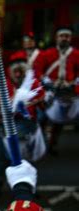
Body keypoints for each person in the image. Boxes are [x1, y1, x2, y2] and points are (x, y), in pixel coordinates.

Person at [0, 52, 45, 196]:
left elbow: (42, 101)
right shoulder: (2, 84)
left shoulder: (33, 83)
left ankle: (27, 189)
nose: (18, 74)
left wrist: (34, 102)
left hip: (27, 129)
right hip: (6, 128)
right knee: (1, 160)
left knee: (25, 162)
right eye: (15, 71)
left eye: (21, 71)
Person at [35, 27, 79, 155]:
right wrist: (48, 82)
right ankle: (41, 144)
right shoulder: (46, 54)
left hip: (69, 91)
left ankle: (52, 144)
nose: (64, 38)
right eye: (62, 36)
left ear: (70, 38)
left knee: (60, 120)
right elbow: (38, 71)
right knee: (42, 118)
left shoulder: (76, 54)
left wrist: (74, 84)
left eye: (67, 36)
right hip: (50, 90)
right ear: (56, 38)